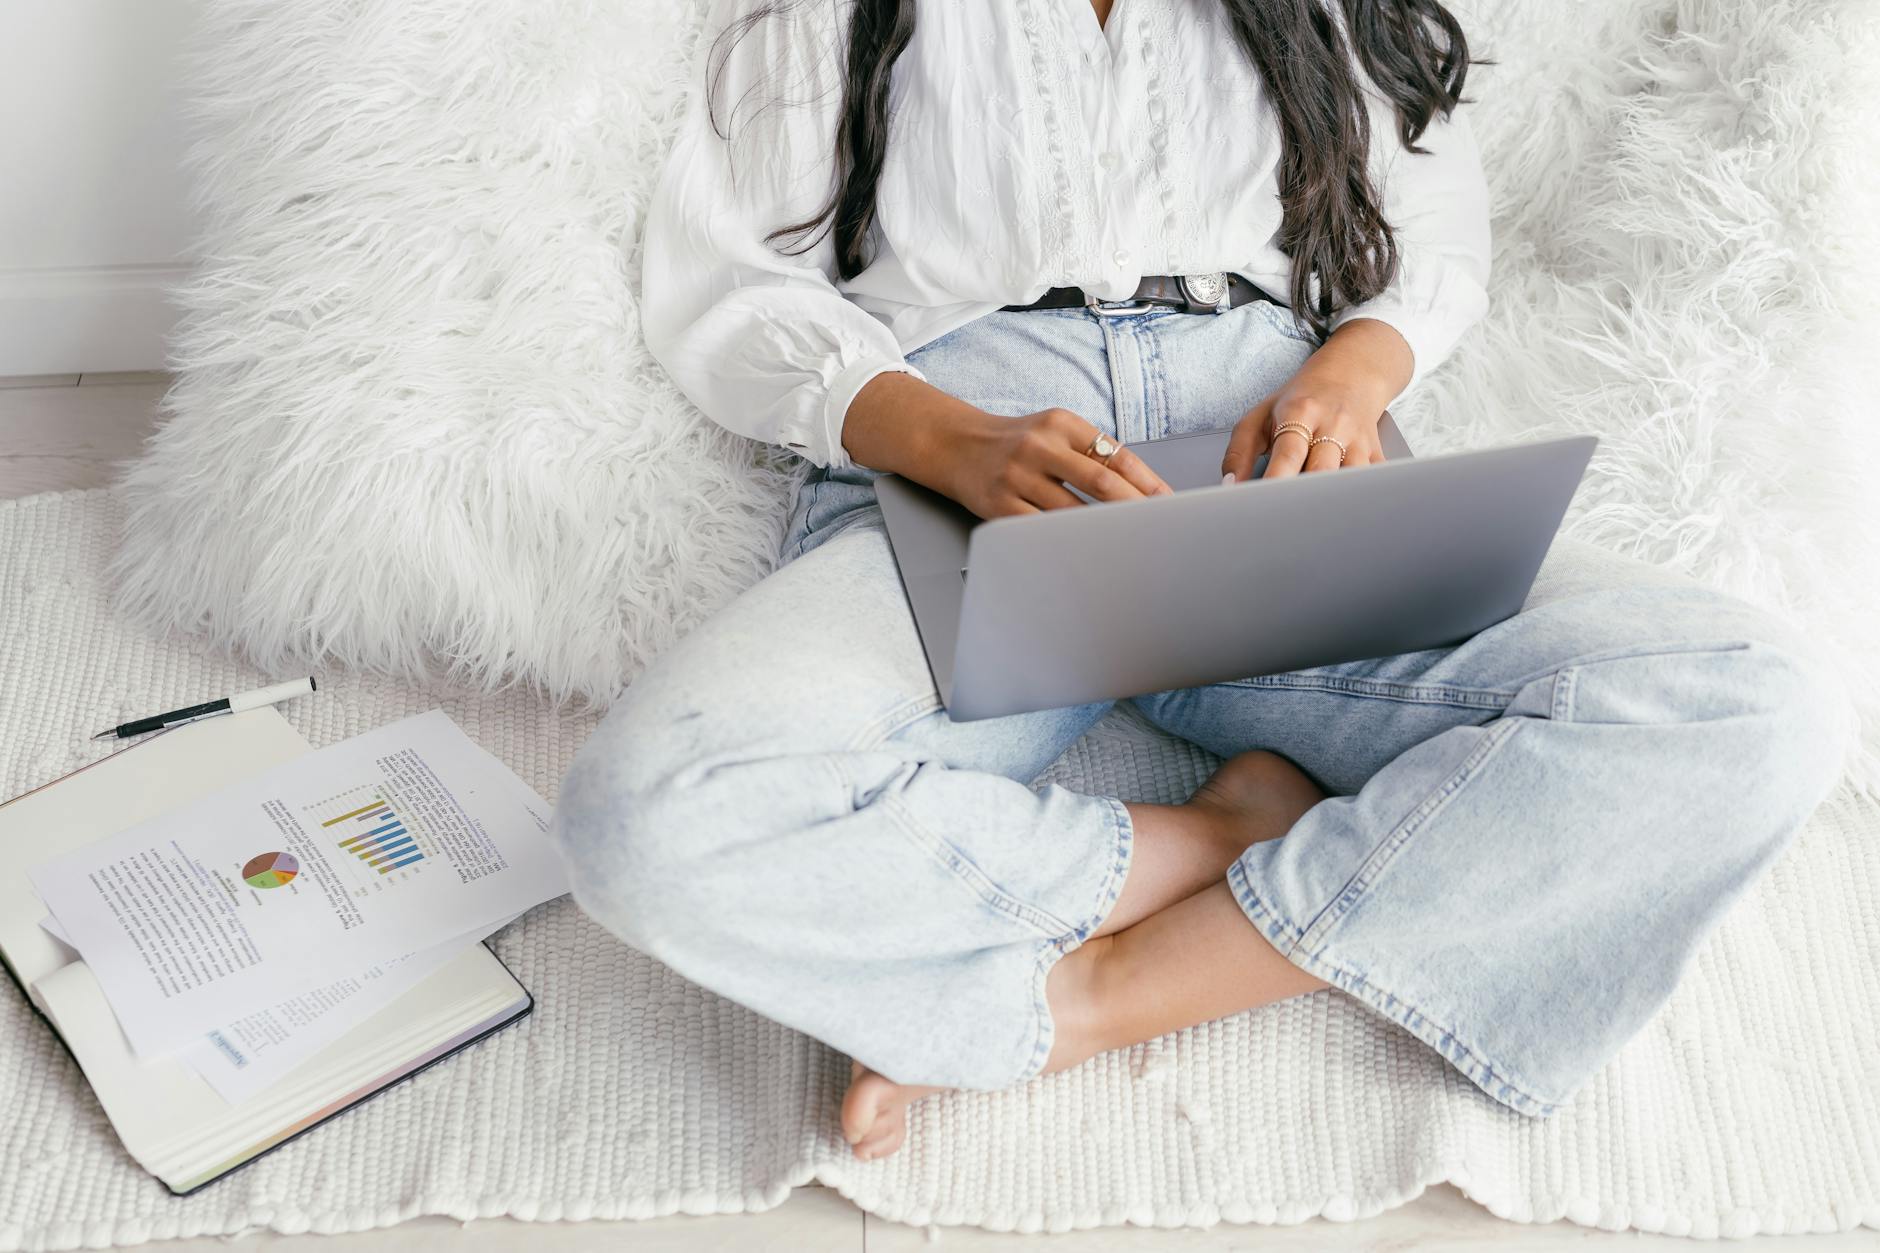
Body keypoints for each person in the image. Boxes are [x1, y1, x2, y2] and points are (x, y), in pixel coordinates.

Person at [551, 0, 1846, 1162]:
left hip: (1273, 452)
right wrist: (949, 437)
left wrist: (1357, 370)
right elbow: (726, 285)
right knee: (651, 816)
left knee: (1751, 698)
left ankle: (1101, 996)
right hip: (964, 464)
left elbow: (1430, 233)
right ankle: (1230, 829)